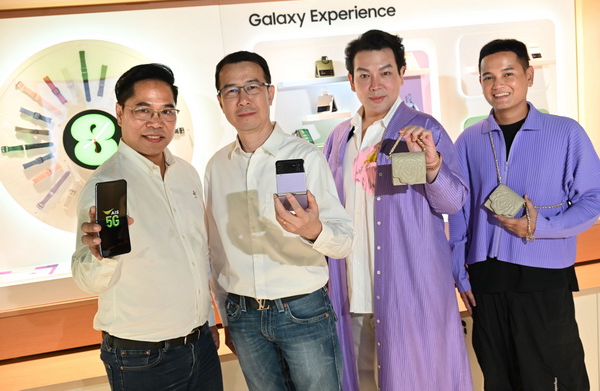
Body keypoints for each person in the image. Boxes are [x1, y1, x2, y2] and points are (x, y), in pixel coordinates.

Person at [323, 29, 473, 390]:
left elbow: (453, 202)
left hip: (409, 290)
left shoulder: (423, 129)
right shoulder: (339, 137)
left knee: (416, 380)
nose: (375, 85)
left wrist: (433, 165)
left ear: (402, 73)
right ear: (351, 81)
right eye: (364, 75)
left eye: (385, 72)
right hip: (352, 291)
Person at [449, 38, 600, 390]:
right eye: (488, 77)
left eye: (508, 73)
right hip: (487, 279)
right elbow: (458, 209)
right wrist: (459, 272)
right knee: (499, 377)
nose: (497, 84)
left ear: (529, 75)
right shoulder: (469, 140)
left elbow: (593, 200)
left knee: (557, 374)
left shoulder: (565, 132)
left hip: (544, 276)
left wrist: (540, 227)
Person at [205, 50, 354, 391]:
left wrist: (313, 230)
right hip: (243, 316)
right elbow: (216, 250)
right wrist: (227, 316)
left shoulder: (306, 157)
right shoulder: (217, 166)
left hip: (303, 309)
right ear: (220, 101)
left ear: (270, 93)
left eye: (252, 87)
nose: (243, 99)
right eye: (232, 90)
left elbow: (345, 240)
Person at [71, 63, 223, 391]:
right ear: (119, 113)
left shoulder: (186, 174)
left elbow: (198, 255)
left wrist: (208, 320)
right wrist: (101, 256)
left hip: (200, 343)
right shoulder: (107, 183)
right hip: (142, 356)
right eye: (143, 110)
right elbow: (86, 280)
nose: (156, 122)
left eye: (166, 111)